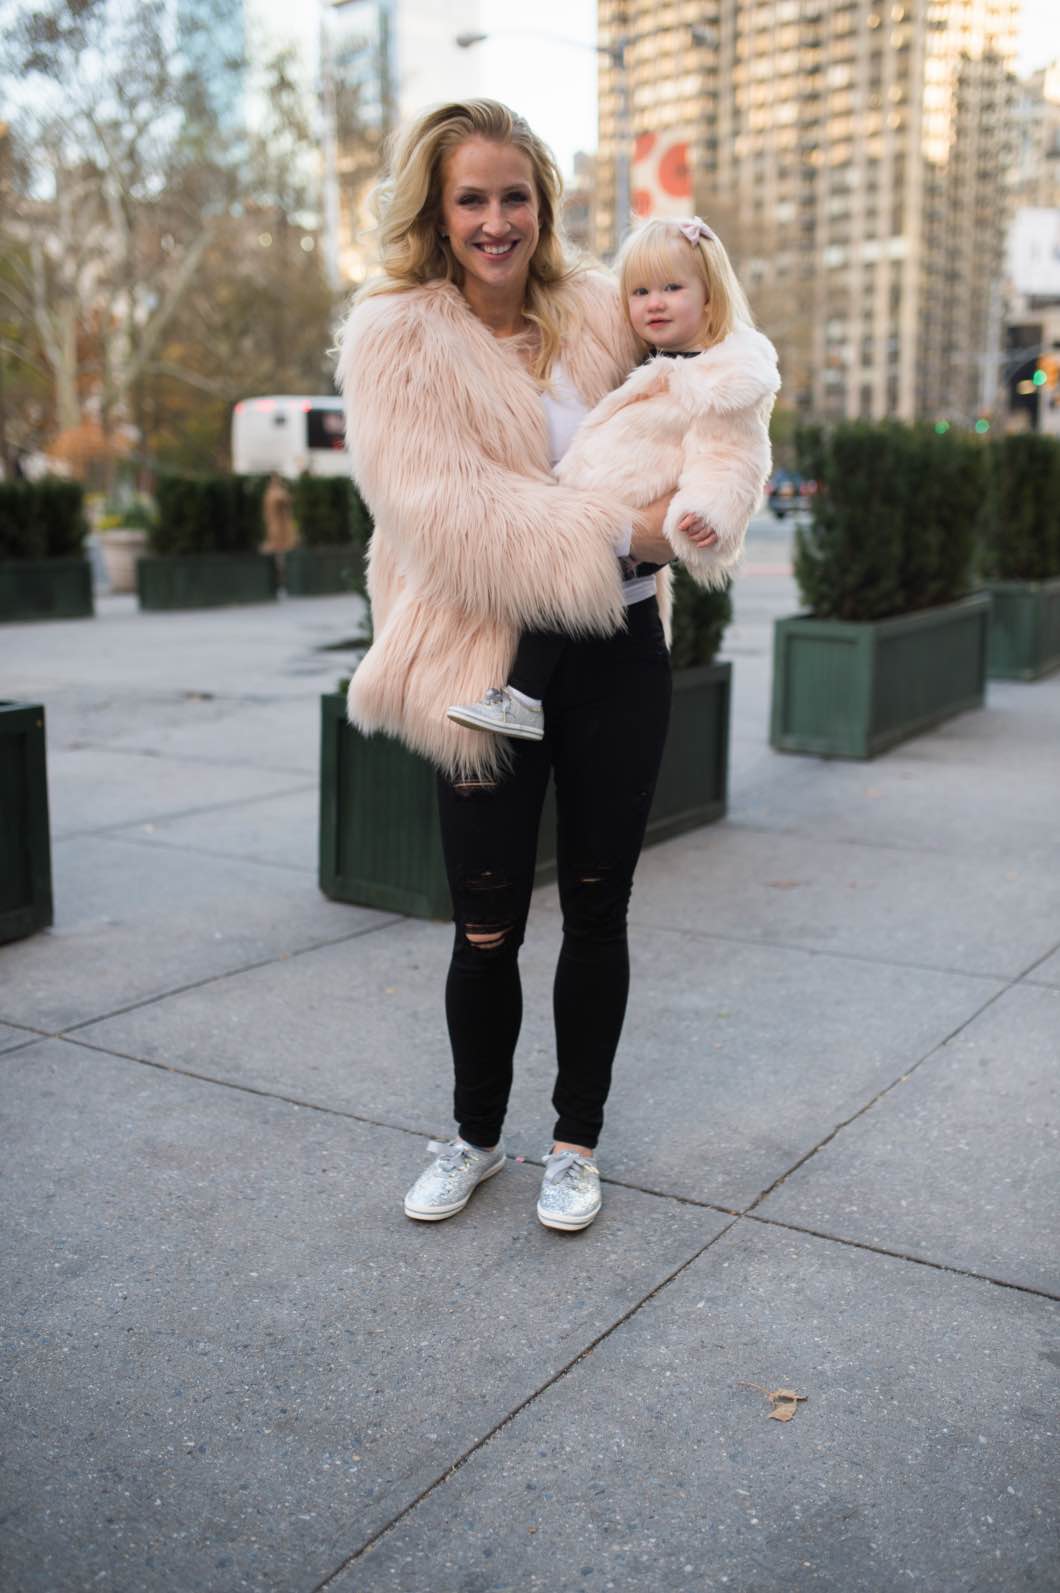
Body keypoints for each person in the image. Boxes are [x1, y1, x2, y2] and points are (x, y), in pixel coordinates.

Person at [335, 100, 716, 1232]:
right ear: (436, 212)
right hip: (480, 662)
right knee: (484, 923)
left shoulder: (604, 309)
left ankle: (573, 1144)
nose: (496, 221)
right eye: (471, 199)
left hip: (618, 659)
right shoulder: (396, 337)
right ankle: (472, 1136)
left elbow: (710, 413)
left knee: (599, 911)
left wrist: (703, 272)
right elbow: (445, 514)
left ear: (542, 203)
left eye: (514, 196)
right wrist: (618, 531)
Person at [446, 215, 780, 741]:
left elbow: (732, 460)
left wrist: (707, 512)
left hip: (622, 530)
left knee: (552, 598)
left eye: (672, 288)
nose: (655, 303)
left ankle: (522, 699)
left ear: (710, 298)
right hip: (597, 512)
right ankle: (523, 697)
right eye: (640, 291)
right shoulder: (659, 361)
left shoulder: (720, 383)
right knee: (548, 601)